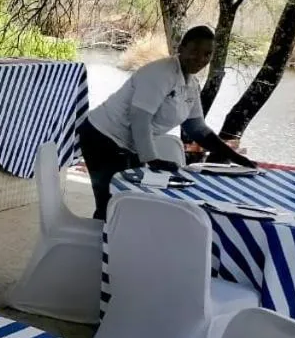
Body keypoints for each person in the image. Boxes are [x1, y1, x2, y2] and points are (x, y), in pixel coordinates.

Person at [79, 25, 257, 220]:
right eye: (194, 51)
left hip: (130, 144)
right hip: (101, 136)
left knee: (132, 202)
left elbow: (198, 129)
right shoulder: (159, 73)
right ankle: (102, 247)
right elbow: (140, 119)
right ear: (181, 48)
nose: (200, 59)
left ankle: (123, 245)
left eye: (206, 54)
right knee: (113, 204)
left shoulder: (191, 84)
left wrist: (236, 158)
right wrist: (152, 160)